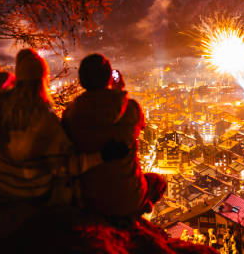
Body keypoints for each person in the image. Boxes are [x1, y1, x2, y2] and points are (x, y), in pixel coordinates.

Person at [0, 7, 127, 202]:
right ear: (44, 79)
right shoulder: (46, 121)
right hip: (31, 192)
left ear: (19, 76)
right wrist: (102, 156)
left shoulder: (0, 102)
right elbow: (66, 165)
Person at [62, 54, 166, 217]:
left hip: (90, 198)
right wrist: (119, 91)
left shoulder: (70, 114)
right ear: (110, 78)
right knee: (159, 182)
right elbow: (141, 125)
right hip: (129, 196)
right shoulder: (131, 109)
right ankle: (138, 210)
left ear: (81, 81)